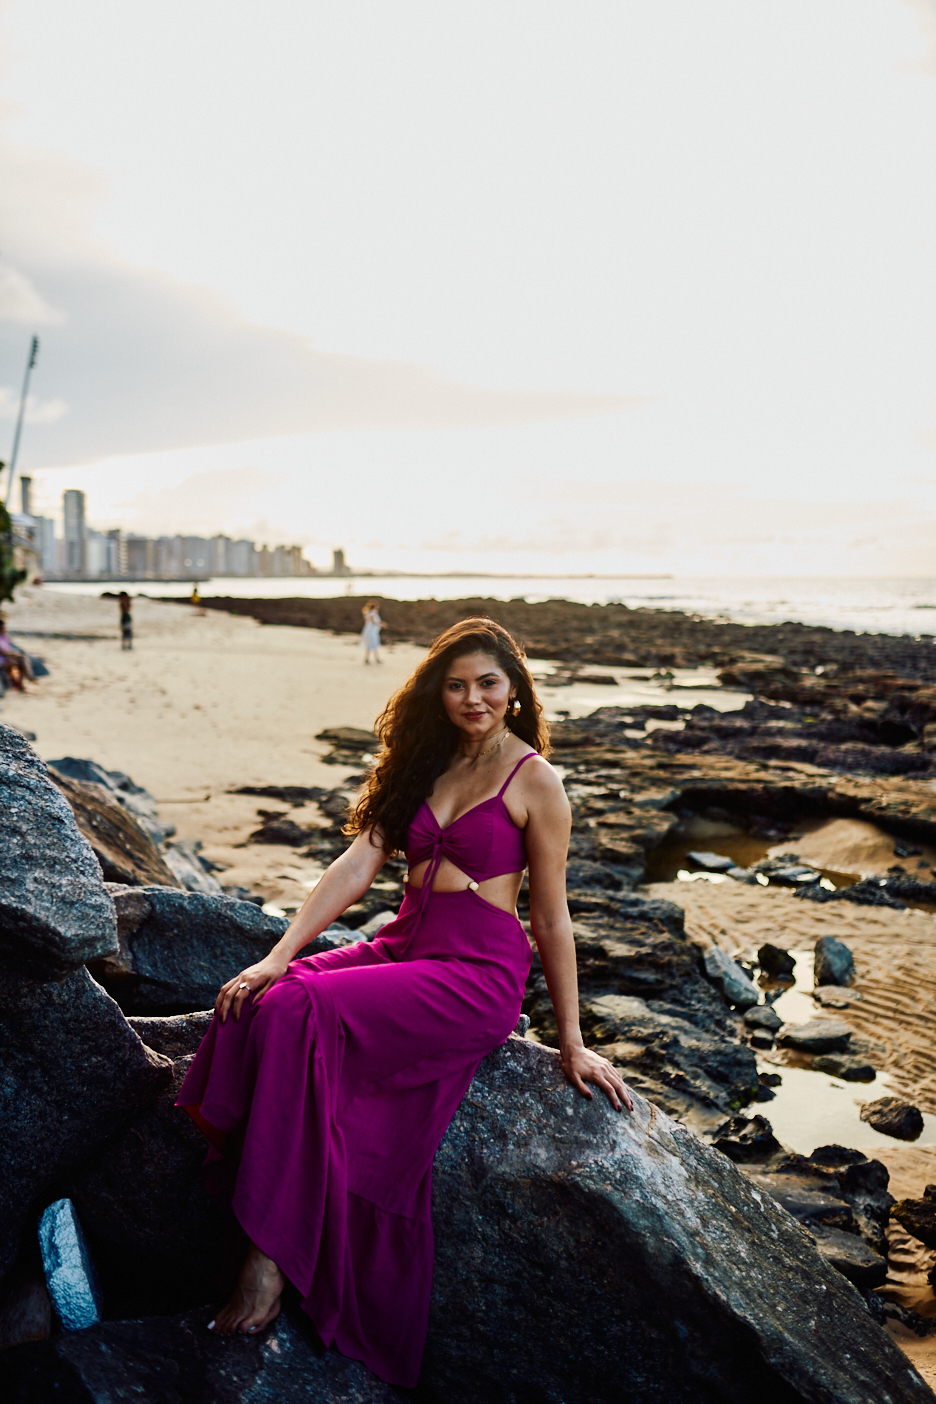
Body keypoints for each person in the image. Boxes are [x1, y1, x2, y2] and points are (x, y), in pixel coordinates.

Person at [177, 618, 631, 1388]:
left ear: (516, 690)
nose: (473, 698)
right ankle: (276, 1222)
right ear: (437, 693)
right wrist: (279, 953)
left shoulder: (536, 781)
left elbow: (551, 917)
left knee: (300, 1010)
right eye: (456, 685)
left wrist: (572, 1040)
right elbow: (358, 863)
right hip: (404, 945)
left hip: (477, 972)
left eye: (488, 683)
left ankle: (269, 1255)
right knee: (268, 1001)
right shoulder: (424, 762)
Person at [0, 612, 35, 690]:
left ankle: (21, 682)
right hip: (2, 658)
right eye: (2, 628)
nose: (3, 629)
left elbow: (8, 648)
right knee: (20, 660)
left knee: (22, 659)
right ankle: (27, 678)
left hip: (7, 657)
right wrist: (10, 654)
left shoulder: (4, 637)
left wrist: (11, 654)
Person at [360, 599, 382, 664]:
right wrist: (381, 624)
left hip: (368, 629)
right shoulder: (373, 612)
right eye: (377, 606)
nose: (378, 607)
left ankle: (371, 659)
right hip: (371, 630)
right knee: (372, 644)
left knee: (370, 644)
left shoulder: (368, 612)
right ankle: (375, 659)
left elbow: (367, 621)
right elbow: (373, 621)